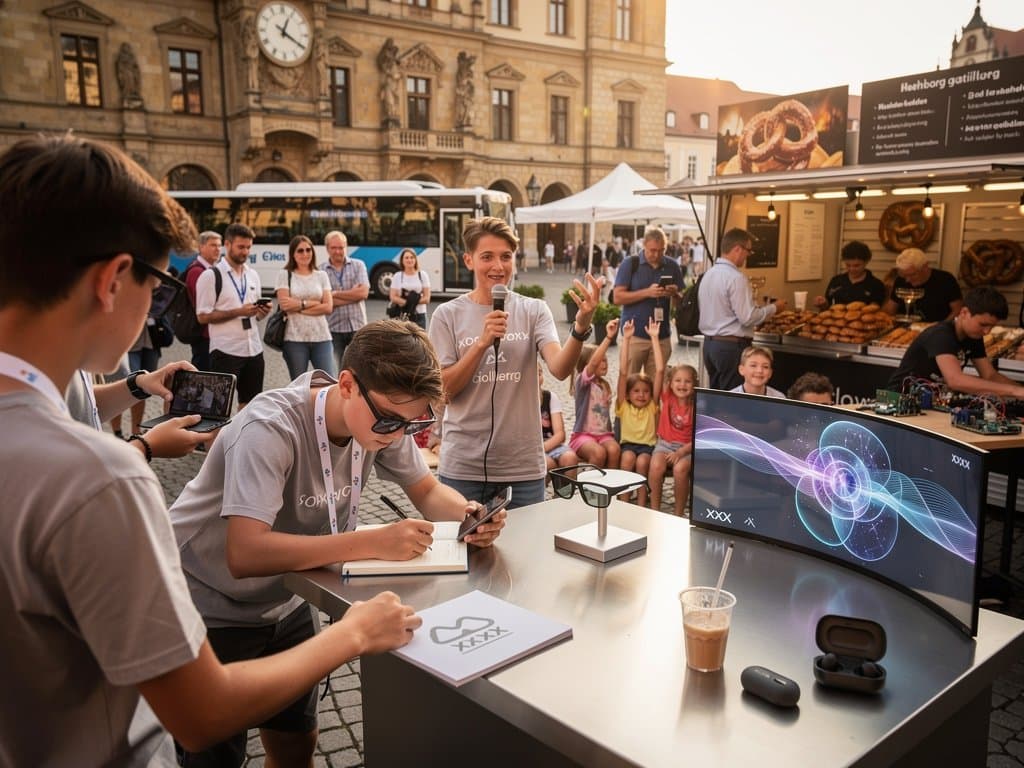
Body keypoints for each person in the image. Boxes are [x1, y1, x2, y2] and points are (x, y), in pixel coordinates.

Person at [0, 133, 419, 768]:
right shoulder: (101, 477)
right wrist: (356, 634)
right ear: (114, 279)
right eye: (161, 283)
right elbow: (200, 714)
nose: (157, 311)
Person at [169, 319, 502, 767]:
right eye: (389, 419)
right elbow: (244, 553)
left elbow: (425, 490)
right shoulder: (270, 427)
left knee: (295, 744)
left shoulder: (384, 420)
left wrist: (468, 515)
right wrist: (367, 542)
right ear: (347, 384)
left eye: (415, 422)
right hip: (207, 604)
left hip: (286, 599)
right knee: (213, 758)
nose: (398, 434)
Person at [428, 216, 600, 508]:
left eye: (506, 257)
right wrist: (481, 344)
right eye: (487, 257)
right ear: (469, 260)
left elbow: (558, 368)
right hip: (463, 467)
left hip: (522, 469)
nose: (498, 266)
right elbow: (444, 391)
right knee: (462, 552)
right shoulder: (447, 315)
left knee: (523, 553)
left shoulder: (533, 310)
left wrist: (580, 327)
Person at [887, 286, 1024, 398]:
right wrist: (1013, 391)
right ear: (964, 313)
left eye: (991, 327)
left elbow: (989, 374)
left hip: (930, 400)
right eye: (983, 324)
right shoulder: (941, 334)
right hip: (901, 398)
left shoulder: (973, 336)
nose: (987, 332)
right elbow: (955, 380)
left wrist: (1019, 389)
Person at [698, 227, 786, 391]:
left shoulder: (708, 274)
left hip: (710, 345)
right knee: (733, 399)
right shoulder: (736, 278)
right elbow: (748, 317)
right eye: (748, 251)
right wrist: (774, 308)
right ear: (737, 249)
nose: (748, 255)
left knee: (717, 399)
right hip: (731, 347)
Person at [197, 222, 271, 410]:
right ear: (227, 245)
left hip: (253, 350)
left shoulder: (253, 275)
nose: (245, 252)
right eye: (241, 247)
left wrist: (262, 313)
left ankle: (242, 440)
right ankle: (213, 440)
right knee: (217, 408)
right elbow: (202, 317)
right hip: (225, 351)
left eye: (248, 247)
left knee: (250, 408)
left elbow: (253, 316)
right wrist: (238, 312)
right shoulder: (211, 276)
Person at [612, 226, 686, 376]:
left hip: (661, 337)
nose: (657, 254)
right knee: (629, 384)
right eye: (653, 250)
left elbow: (680, 303)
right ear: (644, 245)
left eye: (662, 250)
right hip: (634, 335)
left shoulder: (672, 265)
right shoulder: (630, 263)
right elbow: (617, 297)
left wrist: (674, 294)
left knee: (657, 387)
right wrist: (647, 292)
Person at [616, 318, 664, 506]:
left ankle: (642, 505)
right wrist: (626, 340)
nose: (642, 395)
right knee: (627, 459)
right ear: (627, 394)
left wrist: (654, 338)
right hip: (628, 444)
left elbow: (659, 370)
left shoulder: (652, 405)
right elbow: (622, 372)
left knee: (643, 463)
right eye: (636, 391)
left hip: (647, 447)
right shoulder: (623, 405)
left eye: (645, 391)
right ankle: (624, 503)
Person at [276, 234, 336, 380]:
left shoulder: (321, 275)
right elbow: (285, 305)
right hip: (294, 338)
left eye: (308, 250)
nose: (305, 254)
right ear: (293, 254)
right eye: (300, 250)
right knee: (299, 387)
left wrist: (298, 305)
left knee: (329, 382)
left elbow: (328, 307)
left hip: (322, 337)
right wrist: (314, 303)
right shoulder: (284, 274)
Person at [569, 319, 622, 470]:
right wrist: (608, 337)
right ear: (586, 364)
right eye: (600, 360)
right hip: (583, 436)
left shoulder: (604, 385)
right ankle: (591, 488)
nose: (604, 363)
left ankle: (609, 488)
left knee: (614, 450)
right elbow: (593, 364)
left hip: (604, 435)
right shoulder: (582, 383)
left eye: (605, 360)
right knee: (598, 453)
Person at [648, 363, 697, 516]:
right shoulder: (667, 397)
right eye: (678, 380)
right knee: (656, 467)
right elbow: (660, 369)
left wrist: (681, 452)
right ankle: (654, 511)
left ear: (694, 384)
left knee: (680, 469)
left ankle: (678, 513)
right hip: (665, 444)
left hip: (688, 448)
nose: (682, 384)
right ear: (670, 383)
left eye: (687, 381)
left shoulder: (698, 405)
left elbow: (698, 438)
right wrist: (656, 339)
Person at [322, 230, 369, 373]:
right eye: (333, 248)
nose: (338, 251)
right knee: (339, 370)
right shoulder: (321, 270)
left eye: (341, 247)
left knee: (361, 369)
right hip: (334, 328)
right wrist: (352, 295)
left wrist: (334, 295)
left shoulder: (358, 265)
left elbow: (363, 293)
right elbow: (323, 301)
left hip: (357, 326)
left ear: (346, 247)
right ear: (327, 248)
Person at [882, 247, 963, 322]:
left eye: (912, 274)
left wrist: (941, 327)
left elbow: (957, 310)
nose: (907, 280)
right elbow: (890, 310)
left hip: (936, 330)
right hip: (906, 329)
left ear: (925, 267)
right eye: (905, 276)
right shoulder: (901, 280)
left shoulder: (945, 280)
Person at [184, 230, 222, 370]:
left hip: (212, 333)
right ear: (201, 247)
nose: (217, 249)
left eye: (219, 245)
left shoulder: (212, 270)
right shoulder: (197, 271)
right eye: (213, 245)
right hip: (203, 334)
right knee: (203, 374)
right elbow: (201, 303)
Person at [814, 240, 887, 308]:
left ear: (866, 262)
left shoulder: (876, 285)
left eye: (856, 265)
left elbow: (876, 310)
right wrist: (823, 303)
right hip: (837, 320)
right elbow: (828, 305)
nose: (851, 269)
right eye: (848, 265)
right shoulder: (836, 280)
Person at [540, 365, 578, 473]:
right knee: (548, 464)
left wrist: (544, 447)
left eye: (540, 372)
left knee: (570, 458)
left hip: (551, 444)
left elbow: (560, 435)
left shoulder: (550, 397)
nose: (538, 376)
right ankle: (542, 490)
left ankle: (564, 490)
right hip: (530, 449)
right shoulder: (519, 401)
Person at [388, 247, 431, 329]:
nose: (409, 260)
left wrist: (408, 302)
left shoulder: (422, 275)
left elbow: (427, 298)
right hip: (402, 315)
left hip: (419, 315)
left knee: (420, 341)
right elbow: (393, 297)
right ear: (402, 260)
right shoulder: (397, 276)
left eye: (412, 257)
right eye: (406, 258)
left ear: (415, 259)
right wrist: (411, 301)